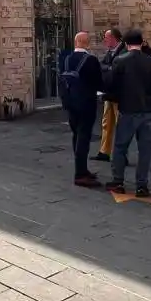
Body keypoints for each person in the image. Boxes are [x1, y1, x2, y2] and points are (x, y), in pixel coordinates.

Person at [103, 29, 151, 197]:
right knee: (145, 150)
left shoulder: (120, 61)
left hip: (128, 110)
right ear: (141, 42)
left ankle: (118, 181)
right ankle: (142, 185)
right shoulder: (150, 62)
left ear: (127, 44)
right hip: (148, 110)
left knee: (120, 146)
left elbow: (112, 85)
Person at [59, 32, 103, 187]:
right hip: (86, 104)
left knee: (76, 135)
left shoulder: (66, 59)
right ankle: (80, 174)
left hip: (70, 103)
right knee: (84, 137)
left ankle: (82, 169)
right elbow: (99, 82)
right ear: (87, 43)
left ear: (76, 42)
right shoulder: (91, 60)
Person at [92, 27, 122, 162]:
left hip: (119, 94)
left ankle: (122, 154)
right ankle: (104, 151)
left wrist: (108, 69)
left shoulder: (123, 51)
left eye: (107, 37)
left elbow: (117, 71)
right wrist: (108, 68)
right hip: (108, 93)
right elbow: (102, 65)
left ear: (114, 38)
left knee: (120, 124)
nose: (105, 40)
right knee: (106, 122)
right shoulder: (111, 52)